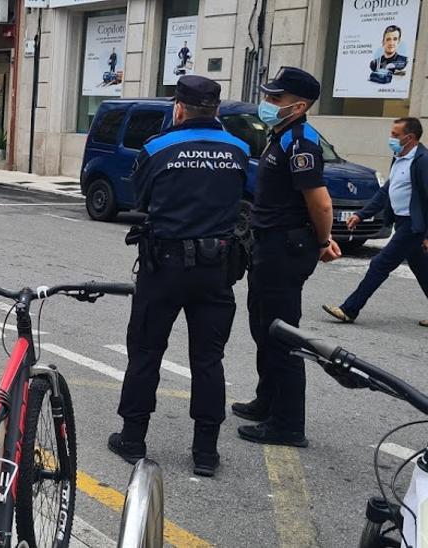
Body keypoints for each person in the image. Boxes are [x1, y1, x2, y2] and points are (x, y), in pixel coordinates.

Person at [108, 75, 249, 477]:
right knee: (208, 359)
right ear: (217, 110)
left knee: (146, 352)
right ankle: (206, 451)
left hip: (164, 266)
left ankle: (133, 439)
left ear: (179, 108)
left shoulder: (157, 147)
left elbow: (141, 198)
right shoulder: (239, 149)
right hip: (216, 268)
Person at [233, 67, 342, 448]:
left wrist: (324, 240)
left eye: (275, 99)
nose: (268, 103)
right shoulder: (281, 135)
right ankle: (267, 400)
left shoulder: (302, 143)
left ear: (298, 106)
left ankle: (288, 424)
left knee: (283, 336)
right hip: (268, 245)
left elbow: (321, 201)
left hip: (284, 248)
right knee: (263, 327)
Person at [323, 117, 428, 326]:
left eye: (395, 135)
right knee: (422, 268)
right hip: (402, 221)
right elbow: (386, 191)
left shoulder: (423, 161)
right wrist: (361, 214)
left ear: (410, 138)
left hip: (414, 225)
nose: (391, 138)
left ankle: (349, 310)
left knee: (380, 264)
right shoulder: (399, 157)